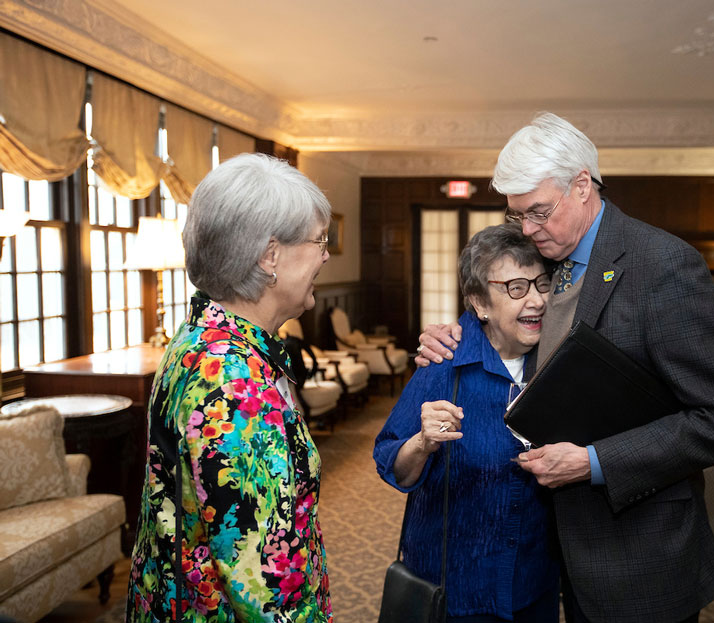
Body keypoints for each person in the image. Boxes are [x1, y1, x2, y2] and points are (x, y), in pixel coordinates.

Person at [416, 113, 714, 623]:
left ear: (582, 186)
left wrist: (594, 461)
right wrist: (458, 332)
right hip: (555, 554)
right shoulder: (549, 257)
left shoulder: (663, 266)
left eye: (538, 212)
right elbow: (522, 328)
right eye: (517, 217)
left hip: (638, 558)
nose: (528, 231)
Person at [127, 154, 333, 622]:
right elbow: (264, 584)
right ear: (270, 256)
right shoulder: (233, 381)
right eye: (319, 240)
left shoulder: (203, 337)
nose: (325, 255)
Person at [373, 223, 560, 622]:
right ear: (479, 302)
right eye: (515, 288)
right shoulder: (444, 364)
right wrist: (422, 443)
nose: (536, 300)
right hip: (455, 590)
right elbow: (392, 464)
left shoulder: (557, 361)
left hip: (533, 584)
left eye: (542, 284)